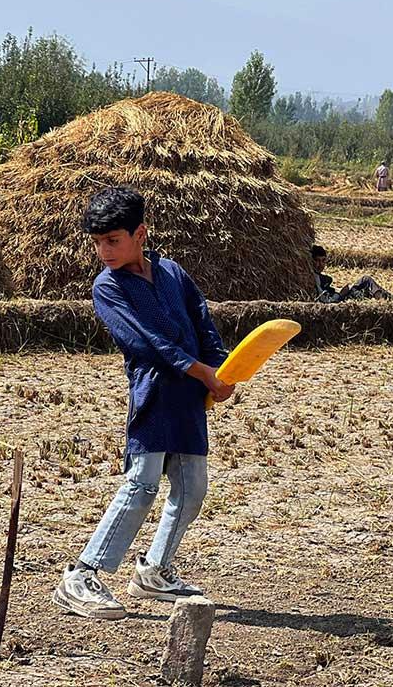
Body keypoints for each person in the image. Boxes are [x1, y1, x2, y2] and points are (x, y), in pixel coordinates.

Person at [53, 186, 234, 621]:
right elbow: (148, 344)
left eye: (112, 240)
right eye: (98, 242)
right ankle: (81, 575)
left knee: (192, 489)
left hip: (189, 398)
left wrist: (223, 369)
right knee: (142, 485)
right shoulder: (107, 288)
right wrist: (203, 372)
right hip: (153, 395)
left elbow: (203, 323)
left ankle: (154, 571)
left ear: (140, 234)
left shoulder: (173, 273)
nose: (104, 251)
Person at [312, 245, 393, 302]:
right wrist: (341, 294)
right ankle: (385, 302)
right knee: (366, 280)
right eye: (317, 261)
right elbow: (324, 300)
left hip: (339, 296)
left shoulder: (319, 276)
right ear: (311, 261)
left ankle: (388, 300)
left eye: (323, 261)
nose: (321, 265)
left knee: (365, 286)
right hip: (339, 300)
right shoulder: (315, 277)